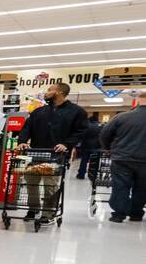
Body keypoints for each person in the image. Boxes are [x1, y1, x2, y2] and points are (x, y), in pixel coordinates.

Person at [16, 82, 88, 222]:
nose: (47, 92)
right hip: (36, 153)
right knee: (31, 183)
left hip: (56, 156)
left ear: (60, 92)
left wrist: (67, 144)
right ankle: (33, 208)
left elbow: (81, 131)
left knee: (50, 185)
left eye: (50, 90)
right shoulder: (39, 111)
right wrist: (22, 141)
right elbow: (27, 127)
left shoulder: (77, 112)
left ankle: (47, 213)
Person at [99, 102, 146, 222]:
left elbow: (105, 134)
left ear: (138, 102)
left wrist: (108, 148)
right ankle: (136, 213)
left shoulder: (121, 117)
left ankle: (118, 214)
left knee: (120, 186)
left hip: (122, 158)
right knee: (142, 187)